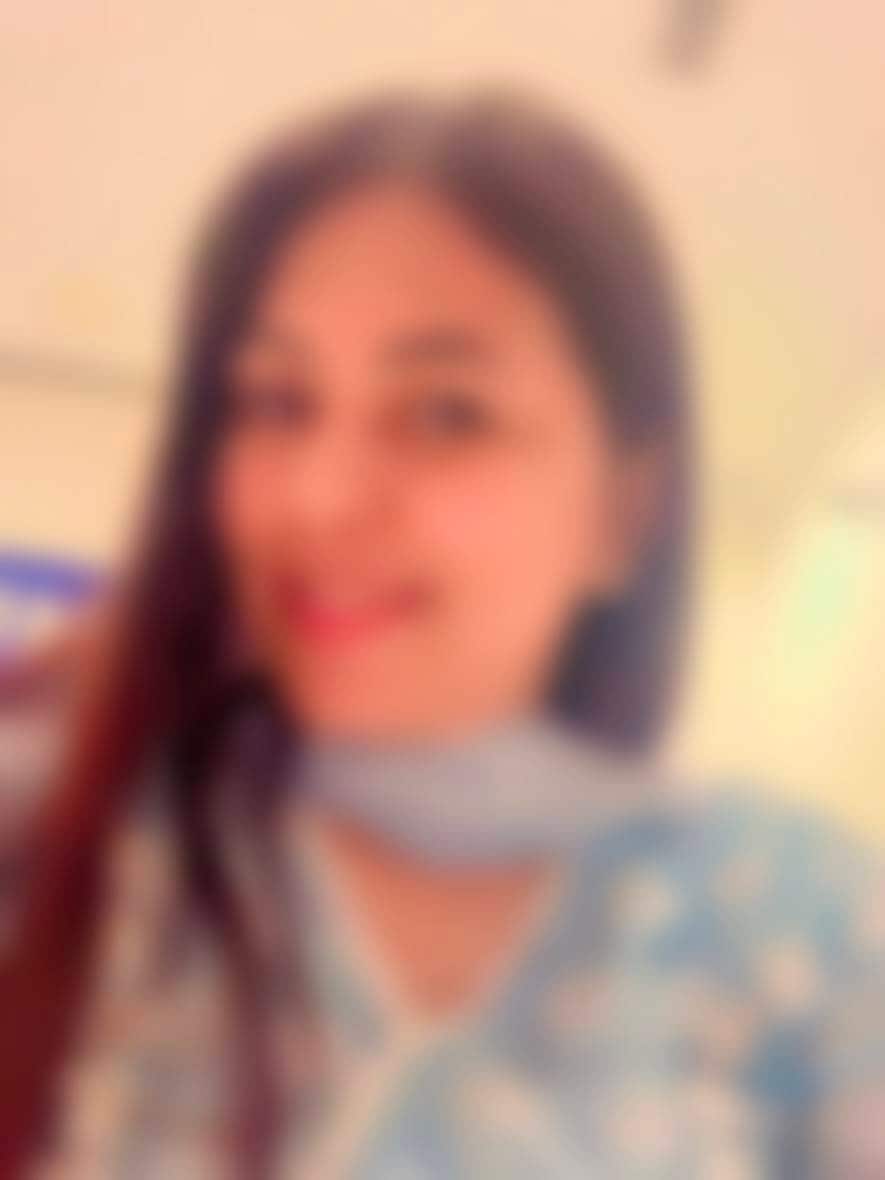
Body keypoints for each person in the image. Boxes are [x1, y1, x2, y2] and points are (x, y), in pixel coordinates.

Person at [1, 86, 884, 1179]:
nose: (321, 499)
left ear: (623, 514)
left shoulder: (801, 927)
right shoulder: (71, 837)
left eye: (445, 413)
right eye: (277, 401)